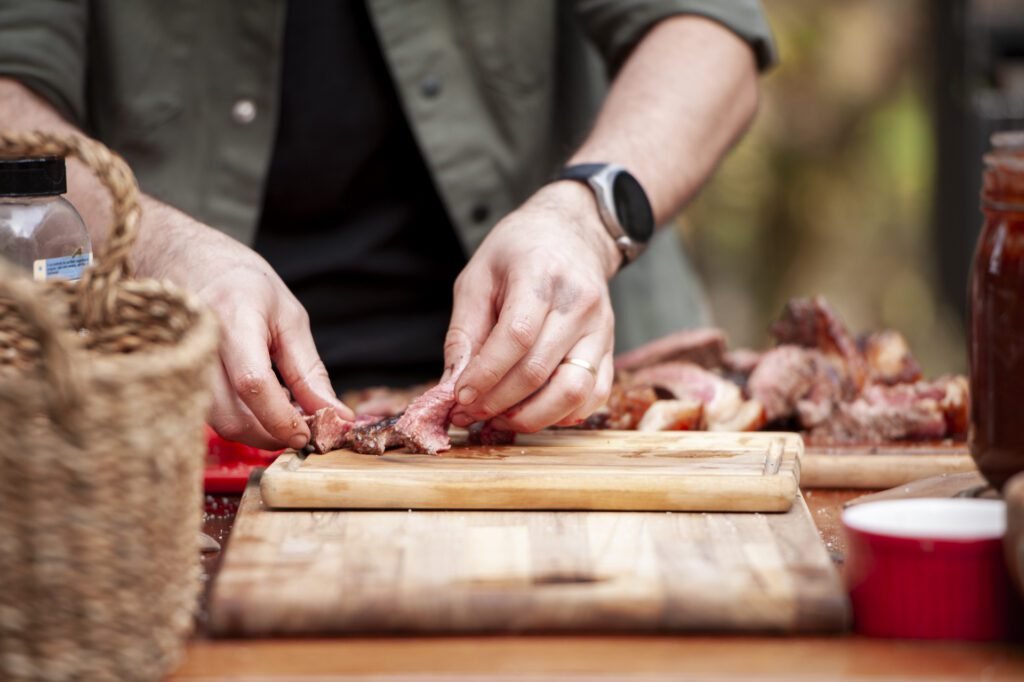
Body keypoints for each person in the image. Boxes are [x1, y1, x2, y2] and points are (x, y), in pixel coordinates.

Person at [0, 1, 774, 451]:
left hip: (582, 400)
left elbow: (710, 32)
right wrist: (151, 246)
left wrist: (586, 215)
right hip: (169, 424)